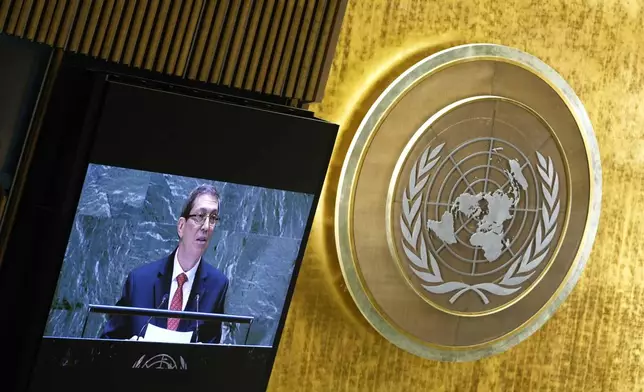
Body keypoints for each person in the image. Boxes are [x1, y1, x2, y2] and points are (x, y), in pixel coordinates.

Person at [101, 185, 229, 343]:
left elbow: (212, 350)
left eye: (213, 218)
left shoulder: (217, 285)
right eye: (200, 216)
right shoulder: (140, 280)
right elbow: (107, 341)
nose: (206, 226)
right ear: (181, 226)